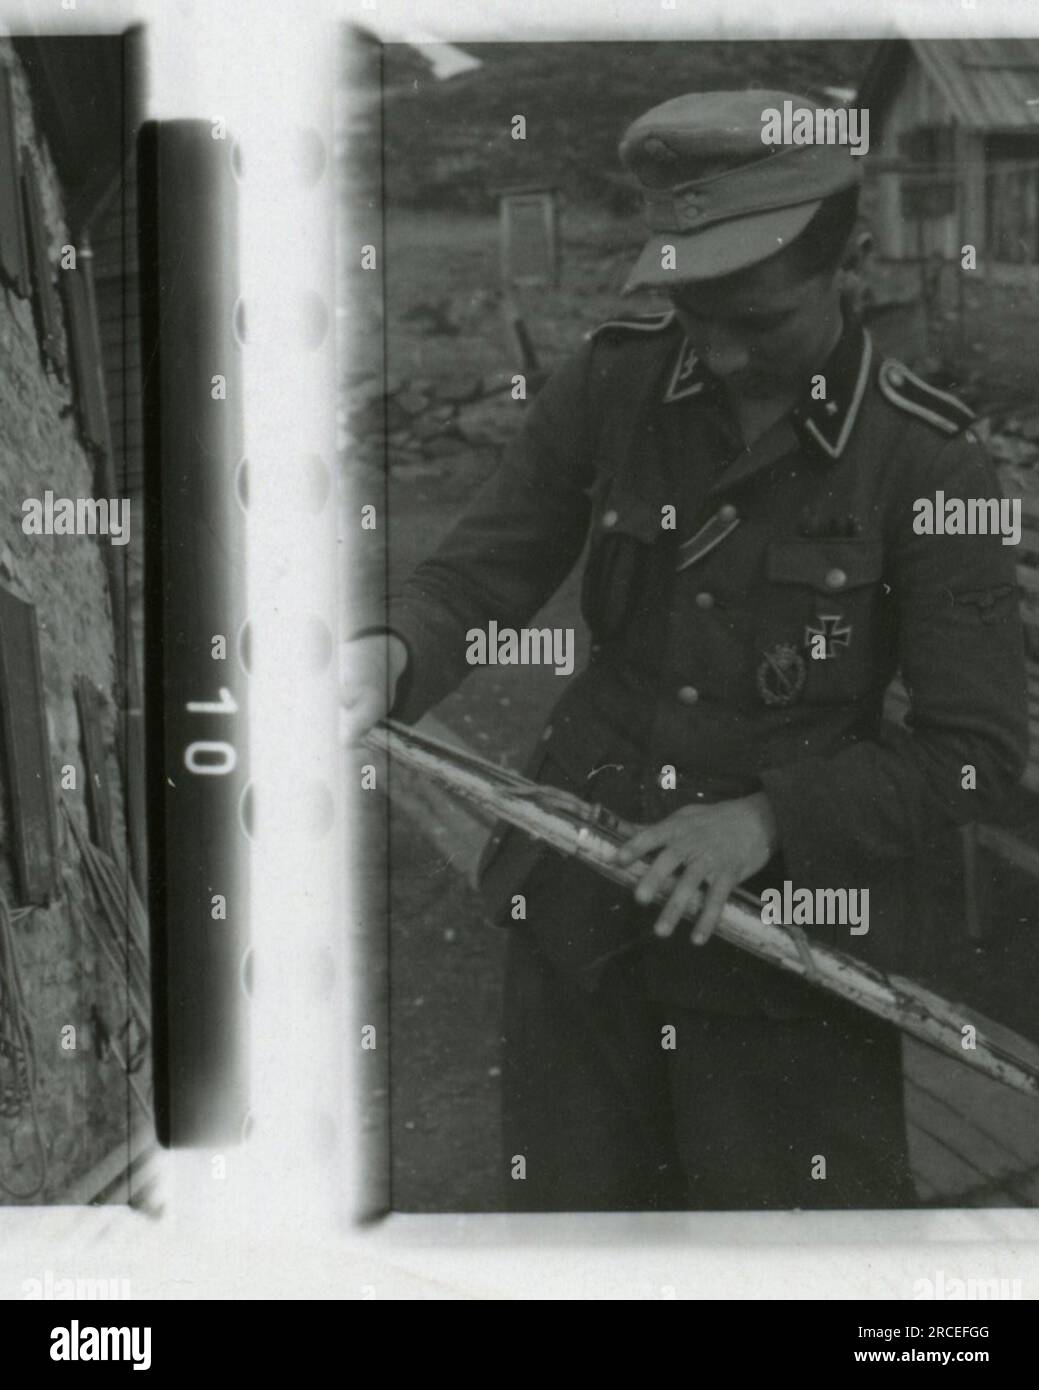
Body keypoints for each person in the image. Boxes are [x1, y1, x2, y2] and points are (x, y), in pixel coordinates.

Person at [342, 91, 1028, 1211]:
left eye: (753, 318)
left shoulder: (926, 464)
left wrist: (762, 819)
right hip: (582, 914)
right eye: (689, 305)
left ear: (849, 261)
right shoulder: (617, 379)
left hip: (787, 953)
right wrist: (392, 651)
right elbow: (478, 573)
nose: (713, 347)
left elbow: (974, 752)